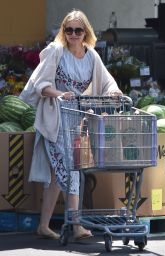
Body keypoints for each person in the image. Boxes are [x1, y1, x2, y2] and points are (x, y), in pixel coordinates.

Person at [19, 9, 123, 240]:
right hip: (55, 120)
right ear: (63, 32)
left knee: (59, 175)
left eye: (78, 30)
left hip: (76, 121)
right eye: (69, 30)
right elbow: (40, 85)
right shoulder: (56, 52)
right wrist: (60, 94)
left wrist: (114, 92)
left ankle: (43, 226)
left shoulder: (92, 56)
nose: (73, 34)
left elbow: (107, 82)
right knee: (71, 169)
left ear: (86, 32)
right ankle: (76, 226)